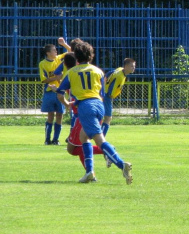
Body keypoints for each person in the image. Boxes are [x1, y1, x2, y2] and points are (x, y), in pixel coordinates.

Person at [55, 42, 133, 184]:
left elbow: (60, 93)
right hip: (99, 105)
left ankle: (122, 165)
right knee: (84, 137)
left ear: (76, 57)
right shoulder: (98, 71)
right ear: (91, 56)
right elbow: (101, 93)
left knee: (99, 140)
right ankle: (89, 172)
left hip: (85, 106)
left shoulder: (72, 72)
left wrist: (66, 104)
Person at [38, 39, 71, 145]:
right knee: (50, 115)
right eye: (54, 50)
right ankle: (47, 139)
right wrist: (56, 78)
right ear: (48, 53)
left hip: (60, 91)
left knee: (60, 115)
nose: (56, 52)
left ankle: (55, 139)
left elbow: (71, 52)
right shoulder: (43, 64)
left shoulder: (58, 59)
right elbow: (44, 79)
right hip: (49, 91)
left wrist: (64, 44)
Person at [102, 58, 136, 136]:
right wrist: (111, 96)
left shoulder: (120, 69)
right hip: (106, 96)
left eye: (134, 66)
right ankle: (101, 138)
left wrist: (104, 81)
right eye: (132, 66)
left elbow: (109, 73)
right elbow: (111, 92)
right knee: (108, 118)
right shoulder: (120, 76)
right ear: (126, 66)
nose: (134, 68)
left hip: (102, 93)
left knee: (100, 116)